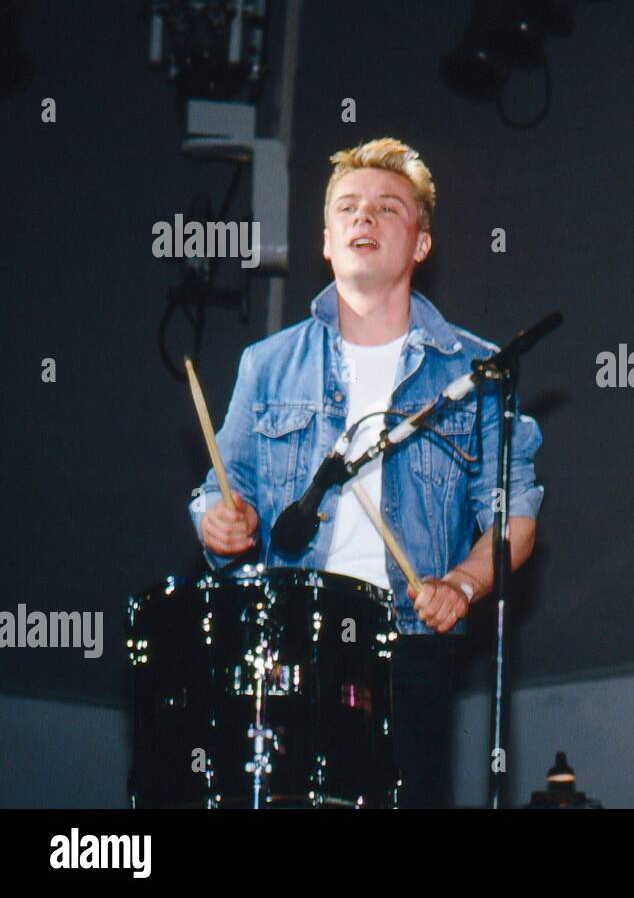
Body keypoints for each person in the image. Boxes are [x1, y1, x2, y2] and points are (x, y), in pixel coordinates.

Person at [188, 136, 544, 807]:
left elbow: (515, 515)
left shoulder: (477, 372)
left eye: (388, 208)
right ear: (326, 240)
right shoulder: (266, 365)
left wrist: (464, 586)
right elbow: (219, 489)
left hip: (405, 648)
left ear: (420, 245)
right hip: (281, 640)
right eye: (348, 207)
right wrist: (218, 522)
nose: (365, 219)